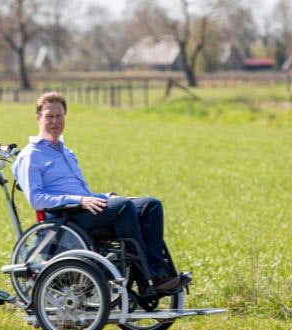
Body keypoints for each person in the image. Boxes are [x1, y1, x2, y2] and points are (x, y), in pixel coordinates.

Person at [11, 92, 191, 298]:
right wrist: (80, 200)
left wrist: (105, 196)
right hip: (66, 219)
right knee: (123, 207)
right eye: (49, 116)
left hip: (85, 207)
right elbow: (37, 199)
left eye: (59, 116)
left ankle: (158, 274)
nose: (54, 122)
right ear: (38, 118)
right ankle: (146, 280)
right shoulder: (30, 155)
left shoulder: (66, 152)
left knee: (151, 205)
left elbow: (82, 192)